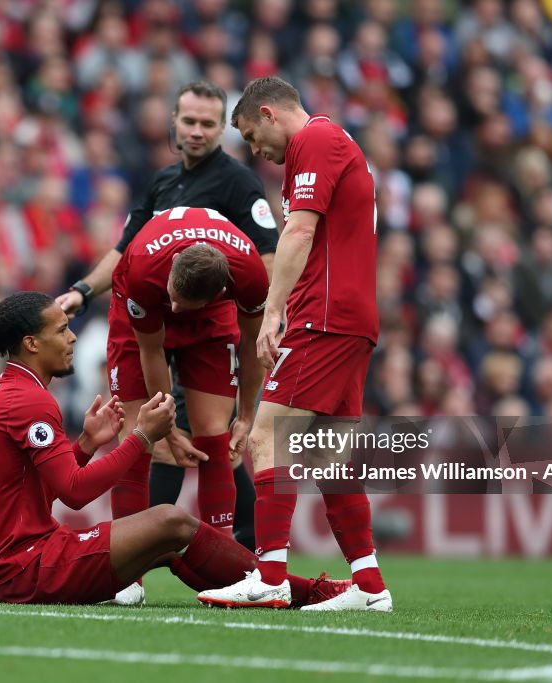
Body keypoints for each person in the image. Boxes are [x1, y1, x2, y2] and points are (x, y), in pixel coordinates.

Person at [0, 291, 350, 606]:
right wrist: (142, 438)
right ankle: (303, 589)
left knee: (166, 540)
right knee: (170, 520)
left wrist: (84, 445)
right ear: (32, 343)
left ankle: (275, 590)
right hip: (27, 568)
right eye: (63, 330)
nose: (73, 338)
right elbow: (75, 492)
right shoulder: (28, 401)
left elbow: (35, 492)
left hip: (22, 564)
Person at [197, 77, 392, 611]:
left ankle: (270, 575)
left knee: (265, 439)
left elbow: (300, 233)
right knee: (331, 460)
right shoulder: (333, 143)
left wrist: (274, 311)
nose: (256, 152)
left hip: (324, 317)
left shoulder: (314, 142)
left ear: (269, 113)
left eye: (252, 136)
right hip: (350, 317)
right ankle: (371, 589)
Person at [57, 80, 278, 553]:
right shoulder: (162, 182)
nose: (196, 131)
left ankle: (229, 551)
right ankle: (132, 559)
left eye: (207, 123)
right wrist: (82, 290)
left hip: (211, 315)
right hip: (150, 305)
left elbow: (268, 261)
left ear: (224, 129)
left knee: (214, 436)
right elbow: (124, 252)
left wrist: (249, 406)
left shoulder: (240, 184)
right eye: (189, 121)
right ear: (173, 124)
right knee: (152, 436)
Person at [107, 207, 268, 542]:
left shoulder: (250, 275)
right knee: (137, 431)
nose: (175, 311)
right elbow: (152, 351)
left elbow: (252, 345)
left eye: (183, 305)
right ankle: (126, 577)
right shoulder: (146, 272)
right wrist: (168, 430)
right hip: (141, 302)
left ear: (221, 294)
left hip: (208, 320)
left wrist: (247, 414)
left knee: (213, 433)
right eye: (174, 300)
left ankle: (222, 560)